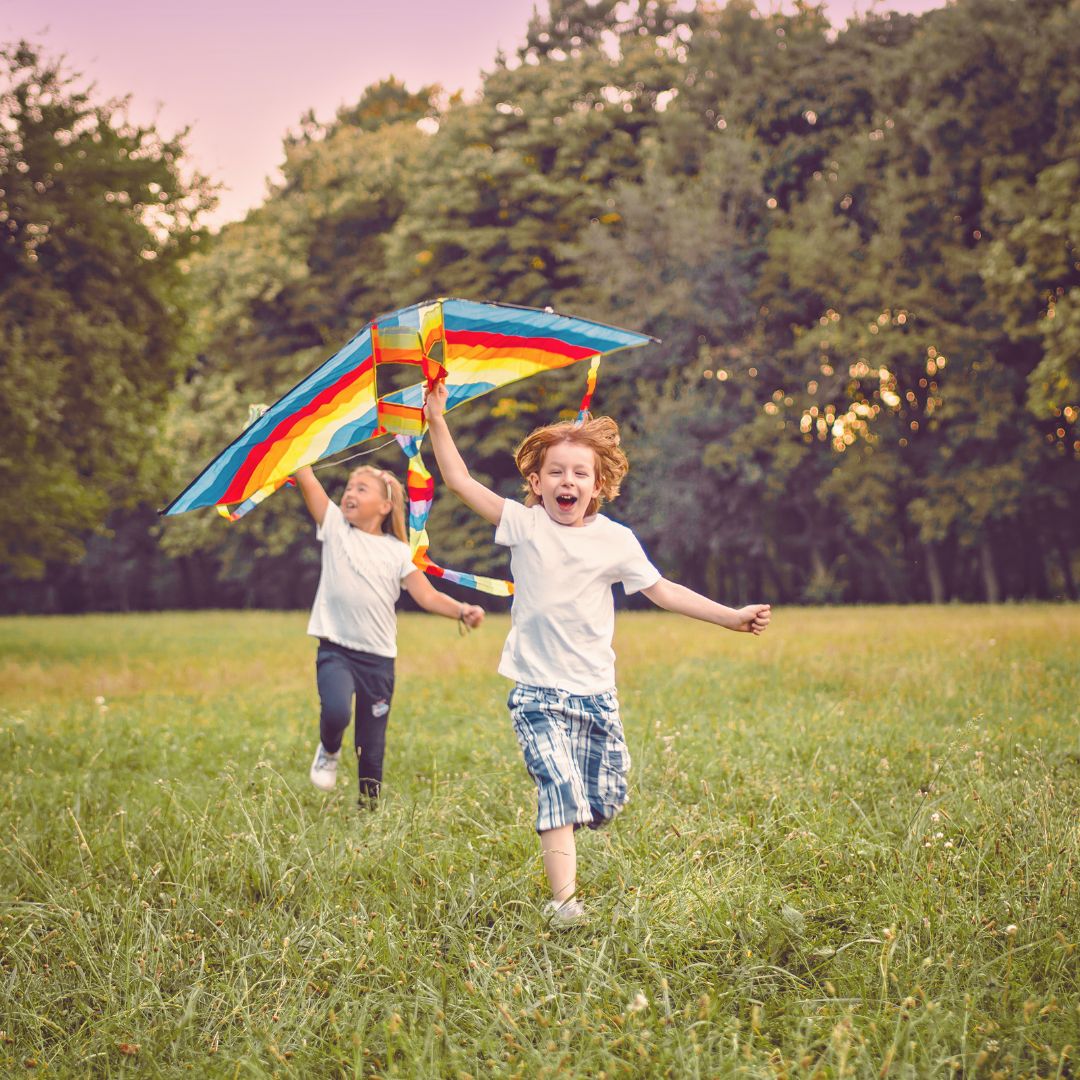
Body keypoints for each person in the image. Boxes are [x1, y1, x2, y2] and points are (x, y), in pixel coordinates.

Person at [424, 381, 770, 924]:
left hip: (596, 695)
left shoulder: (616, 540)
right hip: (536, 691)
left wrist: (730, 617)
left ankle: (578, 819)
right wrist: (437, 419)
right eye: (555, 472)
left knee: (604, 803)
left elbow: (663, 591)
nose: (568, 481)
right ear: (535, 484)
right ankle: (564, 902)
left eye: (579, 473)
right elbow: (459, 480)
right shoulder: (524, 524)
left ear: (598, 484)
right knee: (558, 788)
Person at [295, 463, 484, 805]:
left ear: (385, 506)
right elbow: (306, 477)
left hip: (378, 659)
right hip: (336, 649)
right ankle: (329, 749)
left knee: (372, 743)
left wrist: (461, 610)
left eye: (361, 488)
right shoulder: (336, 527)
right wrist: (289, 439)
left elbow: (427, 596)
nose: (350, 493)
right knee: (337, 712)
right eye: (349, 487)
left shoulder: (398, 551)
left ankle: (369, 809)